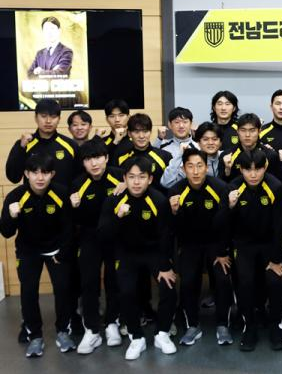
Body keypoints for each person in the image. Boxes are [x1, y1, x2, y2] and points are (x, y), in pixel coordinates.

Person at [97, 156, 177, 360]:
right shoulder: (114, 199)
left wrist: (165, 265)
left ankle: (162, 333)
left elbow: (166, 235)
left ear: (150, 179)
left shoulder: (158, 200)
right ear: (124, 178)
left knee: (168, 285)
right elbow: (103, 234)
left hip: (153, 252)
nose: (136, 182)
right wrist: (118, 216)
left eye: (141, 177)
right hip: (126, 253)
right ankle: (136, 337)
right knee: (126, 292)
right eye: (131, 177)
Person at [1, 153, 76, 357]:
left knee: (63, 289)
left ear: (52, 174)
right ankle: (34, 335)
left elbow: (69, 228)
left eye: (45, 172)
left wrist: (63, 253)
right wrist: (11, 216)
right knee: (28, 291)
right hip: (28, 251)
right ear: (27, 174)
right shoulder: (16, 196)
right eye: (35, 172)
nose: (40, 177)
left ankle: (63, 331)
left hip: (55, 250)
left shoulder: (61, 193)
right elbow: (6, 232)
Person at [217, 148, 282, 351]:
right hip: (243, 244)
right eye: (248, 170)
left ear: (265, 168)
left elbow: (279, 227)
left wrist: (275, 259)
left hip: (269, 244)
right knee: (245, 282)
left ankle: (275, 325)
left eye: (258, 169)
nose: (253, 174)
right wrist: (229, 207)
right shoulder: (233, 187)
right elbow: (220, 224)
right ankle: (250, 326)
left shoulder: (275, 186)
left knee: (275, 281)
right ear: (241, 169)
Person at [167, 148, 233, 347]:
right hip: (190, 244)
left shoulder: (220, 187)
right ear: (183, 169)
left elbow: (226, 224)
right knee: (188, 282)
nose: (195, 171)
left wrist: (222, 252)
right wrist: (174, 213)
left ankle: (223, 325)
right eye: (190, 166)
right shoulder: (176, 191)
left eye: (199, 166)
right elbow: (173, 229)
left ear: (206, 167)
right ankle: (192, 326)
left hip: (215, 243)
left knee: (222, 279)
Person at [69, 139, 124, 354]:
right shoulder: (78, 184)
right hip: (89, 238)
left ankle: (112, 323)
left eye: (98, 157)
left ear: (106, 158)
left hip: (116, 237)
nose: (94, 163)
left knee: (114, 280)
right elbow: (73, 220)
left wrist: (127, 187)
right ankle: (91, 330)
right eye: (88, 159)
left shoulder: (120, 176)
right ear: (83, 162)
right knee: (89, 282)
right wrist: (74, 207)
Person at [6, 98, 79, 187]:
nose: (48, 121)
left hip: (64, 196)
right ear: (36, 118)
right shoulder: (24, 144)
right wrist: (20, 148)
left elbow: (79, 178)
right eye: (43, 116)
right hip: (33, 196)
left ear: (59, 119)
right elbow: (13, 178)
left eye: (53, 117)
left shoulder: (70, 145)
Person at [112, 113, 172, 191]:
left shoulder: (165, 156)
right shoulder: (121, 158)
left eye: (145, 131)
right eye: (136, 132)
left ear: (150, 132)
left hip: (159, 198)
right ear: (129, 134)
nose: (141, 136)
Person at [219, 113, 282, 183]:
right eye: (243, 130)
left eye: (252, 130)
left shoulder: (270, 156)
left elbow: (276, 185)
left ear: (259, 131)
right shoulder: (227, 156)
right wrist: (227, 170)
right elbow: (222, 186)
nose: (247, 135)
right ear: (237, 131)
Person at [161, 121, 223, 188]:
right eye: (205, 139)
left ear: (220, 142)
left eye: (214, 139)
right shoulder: (191, 161)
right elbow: (166, 183)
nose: (210, 143)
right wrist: (179, 156)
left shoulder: (225, 157)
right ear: (198, 143)